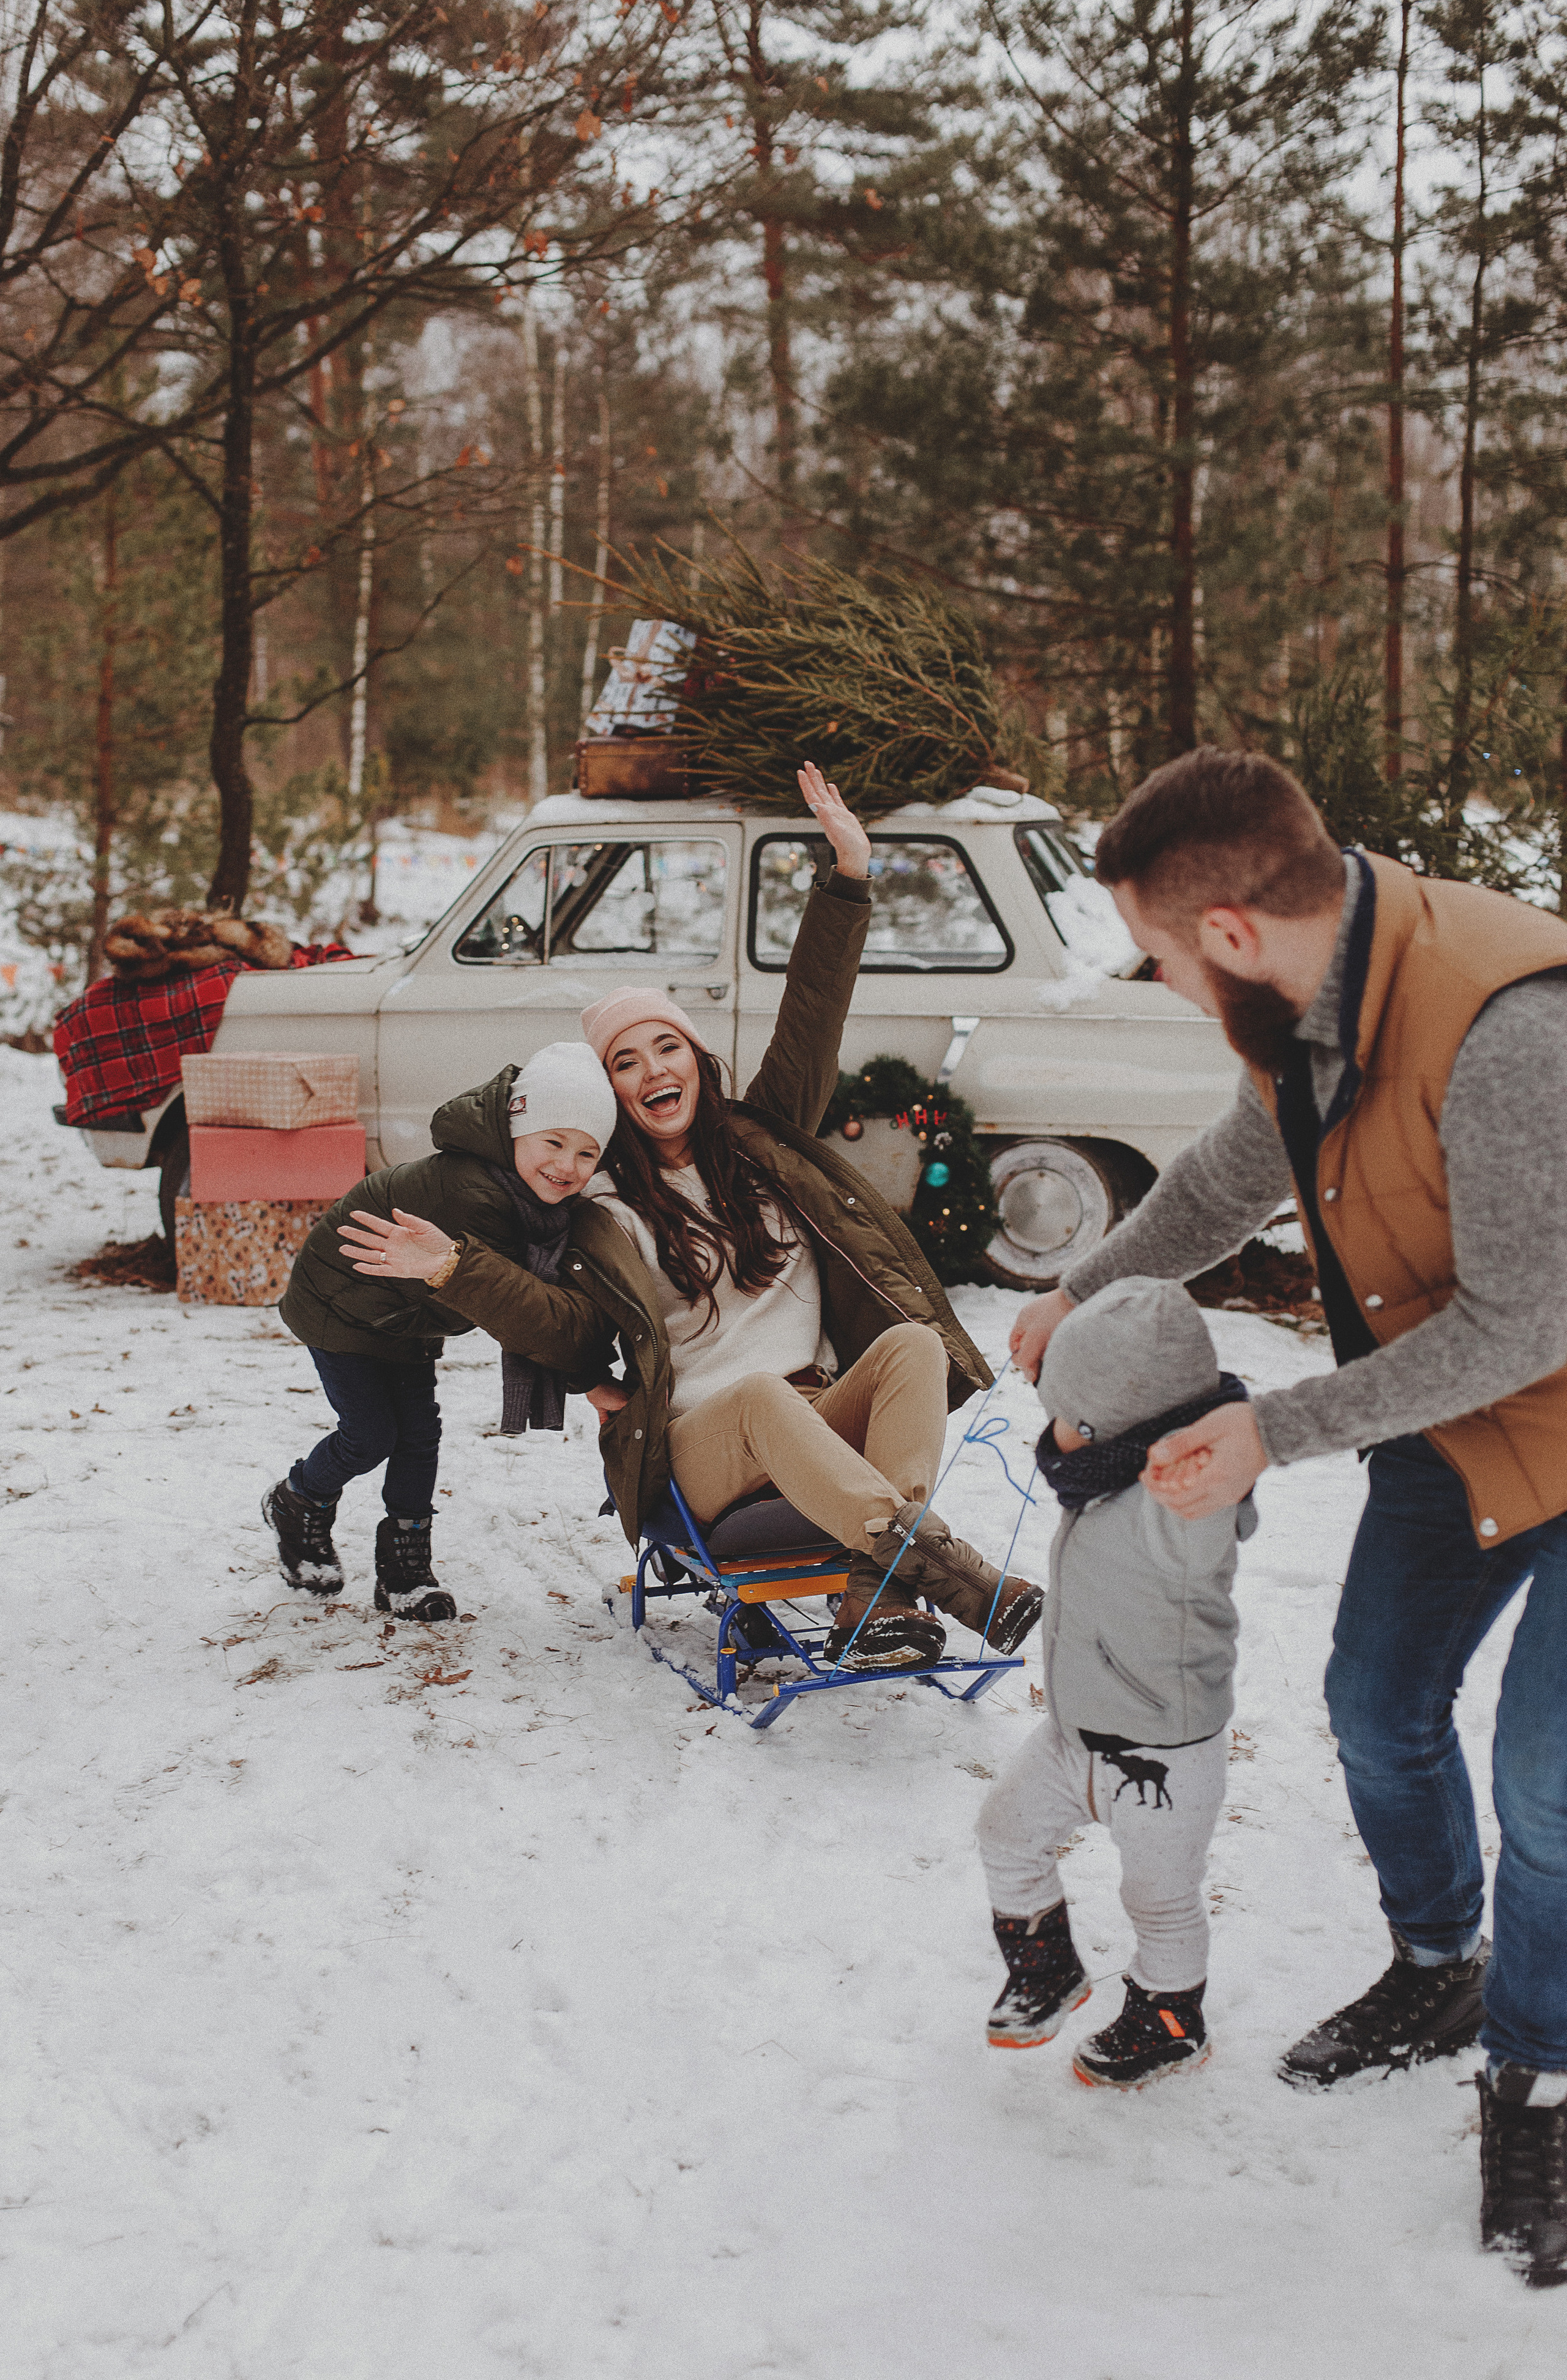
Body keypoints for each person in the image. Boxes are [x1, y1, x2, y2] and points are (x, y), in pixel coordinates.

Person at [1009, 747, 1567, 2282]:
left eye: (1163, 958)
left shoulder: (1511, 1024)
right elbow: (1214, 1185)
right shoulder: (1302, 1012)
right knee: (1374, 1706)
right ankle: (1438, 1964)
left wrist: (1272, 1427)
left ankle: (1536, 2075)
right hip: (1454, 1421)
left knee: (1549, 1781)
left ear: (1235, 931)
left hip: (1534, 1379)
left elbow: (1527, 1320)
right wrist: (1080, 1286)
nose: (1167, 984)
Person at [347, 763, 1044, 1671]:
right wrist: (453, 1268)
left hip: (813, 1411)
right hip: (699, 1449)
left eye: (665, 1045)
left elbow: (811, 1017)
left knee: (912, 1344)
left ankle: (878, 1601)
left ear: (697, 1057)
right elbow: (557, 1325)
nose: (651, 1070)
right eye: (625, 1063)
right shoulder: (599, 1209)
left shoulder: (764, 1142)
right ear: (612, 1096)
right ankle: (955, 1577)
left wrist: (849, 874)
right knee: (756, 1397)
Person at [978, 1278, 1254, 2087]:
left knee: (1158, 1898)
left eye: (1062, 1412)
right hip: (1073, 1734)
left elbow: (1206, 1512)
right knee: (1004, 1831)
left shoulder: (1183, 1503)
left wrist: (1212, 1463)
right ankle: (1048, 1969)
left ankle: (1171, 2019)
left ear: (1115, 1425)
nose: (1050, 1429)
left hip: (1164, 1756)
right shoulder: (1101, 1476)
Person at [266, 1042, 617, 1622]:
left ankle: (405, 1569)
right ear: (514, 1134)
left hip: (407, 1311)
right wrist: (589, 1379)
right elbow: (514, 1310)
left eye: (588, 1152)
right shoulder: (477, 1196)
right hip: (341, 1301)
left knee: (419, 1434)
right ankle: (298, 1497)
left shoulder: (534, 1200)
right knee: (371, 1433)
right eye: (552, 1142)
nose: (567, 1166)